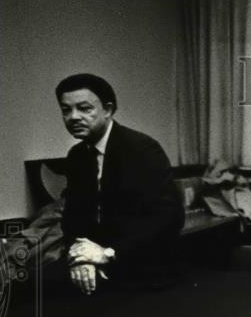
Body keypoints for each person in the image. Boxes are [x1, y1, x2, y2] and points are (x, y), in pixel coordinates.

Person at [57, 74, 183, 294]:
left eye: (84, 108)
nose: (73, 117)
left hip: (145, 275)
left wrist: (107, 253)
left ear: (108, 109)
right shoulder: (76, 156)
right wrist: (80, 257)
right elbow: (72, 218)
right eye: (66, 110)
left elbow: (169, 217)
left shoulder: (143, 149)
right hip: (94, 274)